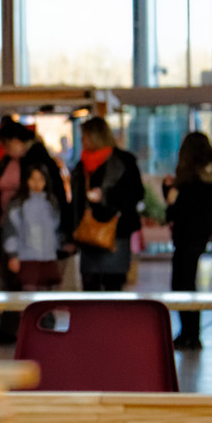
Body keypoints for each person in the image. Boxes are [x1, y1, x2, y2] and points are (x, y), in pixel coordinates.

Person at [0, 119, 66, 345]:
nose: (5, 148)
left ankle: (40, 328)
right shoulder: (7, 163)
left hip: (33, 238)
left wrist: (59, 238)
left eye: (7, 143)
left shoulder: (38, 162)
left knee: (34, 282)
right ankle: (10, 328)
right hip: (6, 229)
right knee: (9, 281)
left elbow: (55, 199)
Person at [162, 131, 212, 349]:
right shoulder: (210, 177)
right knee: (187, 282)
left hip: (187, 234)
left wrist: (168, 191)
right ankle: (190, 333)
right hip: (200, 234)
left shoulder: (190, 180)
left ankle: (189, 333)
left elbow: (177, 209)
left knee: (182, 283)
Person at [70, 116, 144, 292]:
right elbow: (76, 202)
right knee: (90, 285)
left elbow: (136, 193)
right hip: (88, 233)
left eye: (85, 136)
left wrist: (106, 196)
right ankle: (94, 321)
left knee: (114, 284)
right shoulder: (82, 165)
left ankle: (112, 320)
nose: (82, 141)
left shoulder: (123, 161)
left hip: (117, 231)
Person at [1, 165, 66, 303]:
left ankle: (46, 322)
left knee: (47, 296)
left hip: (47, 256)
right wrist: (13, 254)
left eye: (41, 179)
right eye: (33, 179)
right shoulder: (18, 204)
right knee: (28, 295)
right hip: (27, 256)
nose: (37, 184)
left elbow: (55, 227)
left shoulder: (51, 202)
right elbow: (11, 230)